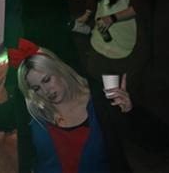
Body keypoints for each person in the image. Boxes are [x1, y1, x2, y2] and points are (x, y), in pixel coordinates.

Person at [12, 39, 137, 172]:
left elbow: (146, 141)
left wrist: (129, 112)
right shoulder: (32, 113)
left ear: (59, 69)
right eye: (36, 88)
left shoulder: (99, 100)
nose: (45, 91)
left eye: (47, 80)